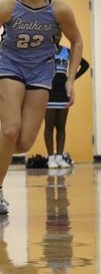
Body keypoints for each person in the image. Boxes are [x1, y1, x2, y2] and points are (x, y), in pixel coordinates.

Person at [0, 0, 82, 215]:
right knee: (11, 130)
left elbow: (77, 41)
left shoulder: (59, 8)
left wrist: (69, 80)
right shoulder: (8, 5)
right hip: (11, 66)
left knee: (22, 144)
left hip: (42, 71)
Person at [44, 29, 88, 169]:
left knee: (61, 126)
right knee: (49, 125)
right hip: (48, 92)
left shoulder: (67, 51)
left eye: (59, 33)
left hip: (63, 93)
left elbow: (85, 65)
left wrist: (71, 79)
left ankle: (60, 157)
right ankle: (51, 158)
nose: (57, 35)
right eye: (54, 33)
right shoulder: (44, 52)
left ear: (61, 35)